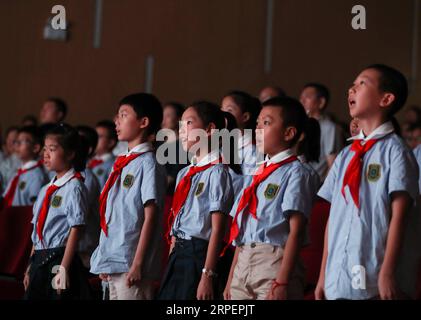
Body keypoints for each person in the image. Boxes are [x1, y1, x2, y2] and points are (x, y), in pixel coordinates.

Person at [315, 64, 421, 300]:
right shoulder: (345, 156)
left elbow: (400, 216)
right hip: (337, 275)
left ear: (386, 99)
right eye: (352, 84)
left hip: (374, 277)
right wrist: (323, 274)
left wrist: (387, 272)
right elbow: (333, 218)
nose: (351, 89)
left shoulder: (396, 152)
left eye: (362, 83)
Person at [223, 97, 314, 300]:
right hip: (243, 261)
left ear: (289, 133)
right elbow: (242, 231)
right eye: (257, 123)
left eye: (266, 123)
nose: (258, 129)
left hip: (274, 261)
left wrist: (282, 281)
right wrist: (231, 279)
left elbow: (296, 231)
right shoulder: (256, 173)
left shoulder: (296, 173)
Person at [90, 93, 167, 300]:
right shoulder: (122, 162)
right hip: (114, 260)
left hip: (132, 263)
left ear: (143, 122)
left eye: (124, 115)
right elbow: (113, 214)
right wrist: (105, 257)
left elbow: (150, 216)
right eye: (117, 115)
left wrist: (138, 264)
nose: (117, 121)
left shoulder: (149, 163)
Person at [158, 101, 234, 300]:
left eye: (188, 123)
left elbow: (217, 229)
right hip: (178, 253)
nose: (182, 130)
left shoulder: (217, 172)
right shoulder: (184, 173)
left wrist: (207, 275)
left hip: (199, 254)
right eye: (180, 125)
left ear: (209, 130)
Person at [23, 124, 90, 299]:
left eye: (52, 149)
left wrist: (64, 268)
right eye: (44, 149)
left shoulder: (74, 187)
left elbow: (76, 228)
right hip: (40, 257)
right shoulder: (46, 189)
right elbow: (37, 230)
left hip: (59, 257)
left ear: (70, 154)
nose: (45, 154)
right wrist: (30, 266)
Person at [300, 83, 344, 180]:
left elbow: (332, 164)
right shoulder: (299, 125)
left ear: (321, 102)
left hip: (316, 186)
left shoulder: (329, 127)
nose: (302, 101)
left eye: (307, 97)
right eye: (301, 97)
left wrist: (323, 192)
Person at [1, 126, 47, 208]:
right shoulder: (19, 172)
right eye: (17, 141)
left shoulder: (36, 174)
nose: (17, 145)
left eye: (23, 141)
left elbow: (35, 206)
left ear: (35, 148)